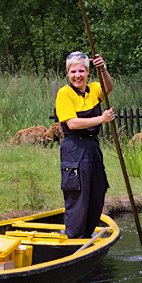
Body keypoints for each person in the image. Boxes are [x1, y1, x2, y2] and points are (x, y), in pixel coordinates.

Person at [55, 51, 116, 239]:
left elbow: (108, 87)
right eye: (73, 72)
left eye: (81, 71)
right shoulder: (64, 93)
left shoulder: (93, 89)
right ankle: (74, 240)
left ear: (88, 72)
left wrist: (103, 68)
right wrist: (102, 119)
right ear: (68, 73)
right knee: (78, 198)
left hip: (92, 148)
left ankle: (87, 236)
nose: (77, 76)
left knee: (97, 193)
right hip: (73, 148)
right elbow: (72, 123)